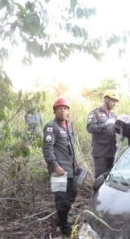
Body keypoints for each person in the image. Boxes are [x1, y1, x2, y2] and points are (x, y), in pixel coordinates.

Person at [42, 97, 78, 237]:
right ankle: (64, 227)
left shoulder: (69, 125)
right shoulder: (51, 127)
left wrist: (76, 162)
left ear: (68, 111)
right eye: (60, 108)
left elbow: (71, 147)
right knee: (61, 199)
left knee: (72, 195)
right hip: (58, 171)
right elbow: (47, 149)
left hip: (71, 169)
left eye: (65, 108)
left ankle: (61, 218)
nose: (63, 111)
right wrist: (55, 166)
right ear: (55, 111)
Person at [86, 90, 119, 179]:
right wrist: (105, 125)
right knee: (100, 178)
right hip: (101, 153)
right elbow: (90, 128)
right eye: (113, 101)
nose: (114, 104)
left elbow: (118, 129)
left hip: (112, 152)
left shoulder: (113, 115)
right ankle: (97, 193)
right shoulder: (95, 113)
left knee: (112, 178)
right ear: (106, 99)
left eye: (116, 101)